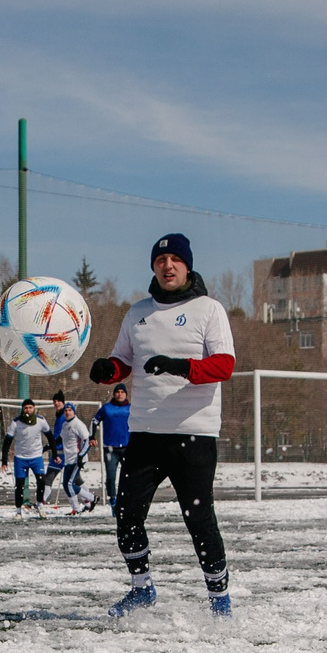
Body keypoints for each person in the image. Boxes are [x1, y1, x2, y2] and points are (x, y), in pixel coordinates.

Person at [89, 233, 237, 615]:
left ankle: (220, 600)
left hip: (194, 434)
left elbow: (224, 365)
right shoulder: (137, 312)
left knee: (199, 520)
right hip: (145, 436)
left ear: (187, 265)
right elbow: (123, 361)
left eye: (174, 259)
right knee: (125, 512)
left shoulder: (209, 309)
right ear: (153, 266)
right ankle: (141, 588)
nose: (167, 266)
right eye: (160, 260)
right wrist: (109, 371)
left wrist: (181, 366)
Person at [3, 398, 51, 514]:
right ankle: (18, 510)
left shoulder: (41, 421)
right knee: (19, 485)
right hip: (20, 458)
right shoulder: (16, 422)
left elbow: (50, 437)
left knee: (41, 481)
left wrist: (54, 454)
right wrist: (4, 461)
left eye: (30, 408)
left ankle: (39, 505)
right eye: (25, 408)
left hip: (36, 457)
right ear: (22, 409)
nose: (28, 410)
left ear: (34, 408)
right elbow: (7, 442)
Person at [51, 393, 94, 512]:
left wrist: (81, 456)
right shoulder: (65, 424)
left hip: (77, 458)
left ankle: (86, 502)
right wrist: (49, 446)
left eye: (70, 410)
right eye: (66, 410)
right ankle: (88, 502)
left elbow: (87, 441)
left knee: (69, 484)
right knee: (68, 484)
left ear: (74, 412)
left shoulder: (78, 424)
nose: (67, 412)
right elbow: (60, 438)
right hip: (68, 458)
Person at [96, 382, 133, 512]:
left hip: (128, 447)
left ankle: (128, 500)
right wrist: (91, 437)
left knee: (129, 476)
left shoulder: (131, 408)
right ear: (114, 394)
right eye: (118, 392)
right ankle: (113, 500)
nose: (120, 394)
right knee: (111, 476)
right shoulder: (107, 408)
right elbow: (94, 421)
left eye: (122, 392)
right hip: (110, 448)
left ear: (126, 394)